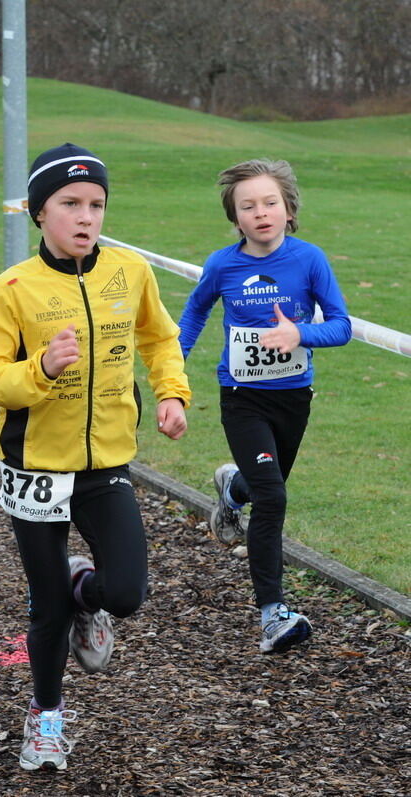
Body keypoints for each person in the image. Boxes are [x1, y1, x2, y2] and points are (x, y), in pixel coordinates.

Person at [0, 144, 190, 771]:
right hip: (35, 466)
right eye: (70, 205)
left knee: (125, 591)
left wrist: (172, 392)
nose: (85, 217)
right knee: (46, 606)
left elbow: (159, 337)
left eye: (95, 204)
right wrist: (40, 369)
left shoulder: (130, 272)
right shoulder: (11, 289)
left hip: (105, 462)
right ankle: (46, 721)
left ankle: (83, 589)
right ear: (39, 213)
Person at [178, 158, 351, 654]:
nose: (260, 213)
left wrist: (299, 332)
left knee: (262, 487)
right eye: (247, 206)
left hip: (294, 397)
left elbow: (340, 325)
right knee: (273, 499)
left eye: (270, 202)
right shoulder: (223, 265)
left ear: (289, 209)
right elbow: (195, 311)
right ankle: (273, 615)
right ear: (235, 218)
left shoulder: (309, 260)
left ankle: (233, 487)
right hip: (242, 396)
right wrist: (176, 364)